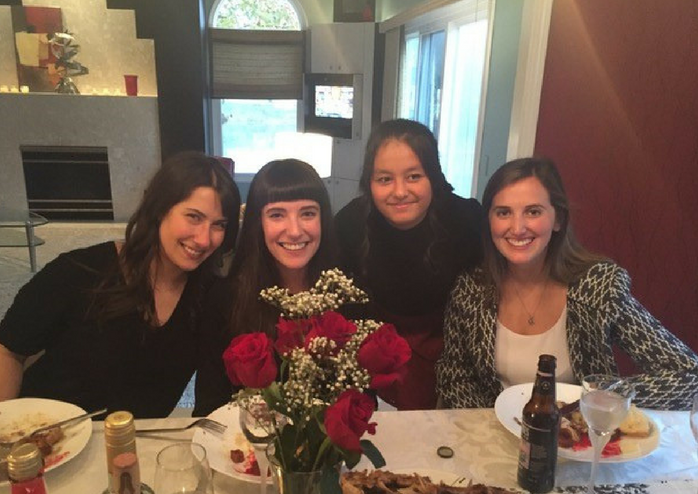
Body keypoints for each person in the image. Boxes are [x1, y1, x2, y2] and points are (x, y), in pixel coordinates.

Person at [0, 152, 241, 418]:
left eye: (219, 225)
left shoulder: (211, 297)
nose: (204, 239)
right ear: (160, 208)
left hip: (133, 447)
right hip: (46, 434)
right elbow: (7, 351)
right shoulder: (80, 271)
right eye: (194, 217)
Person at [436, 157, 698, 410]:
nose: (517, 228)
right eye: (503, 212)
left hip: (579, 442)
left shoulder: (599, 287)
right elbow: (454, 377)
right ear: (489, 221)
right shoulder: (471, 289)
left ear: (558, 219)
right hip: (496, 435)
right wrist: (493, 422)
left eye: (533, 211)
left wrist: (600, 399)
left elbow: (690, 377)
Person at [335, 119, 483, 410]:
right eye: (385, 179)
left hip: (451, 357)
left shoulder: (467, 219)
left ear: (434, 176)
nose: (399, 192)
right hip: (372, 355)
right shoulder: (349, 223)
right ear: (370, 183)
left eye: (414, 176)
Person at [193, 158, 337, 416]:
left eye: (308, 213)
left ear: (323, 220)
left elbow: (364, 401)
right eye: (277, 215)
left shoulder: (346, 299)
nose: (294, 231)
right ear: (257, 224)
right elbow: (208, 409)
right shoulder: (225, 300)